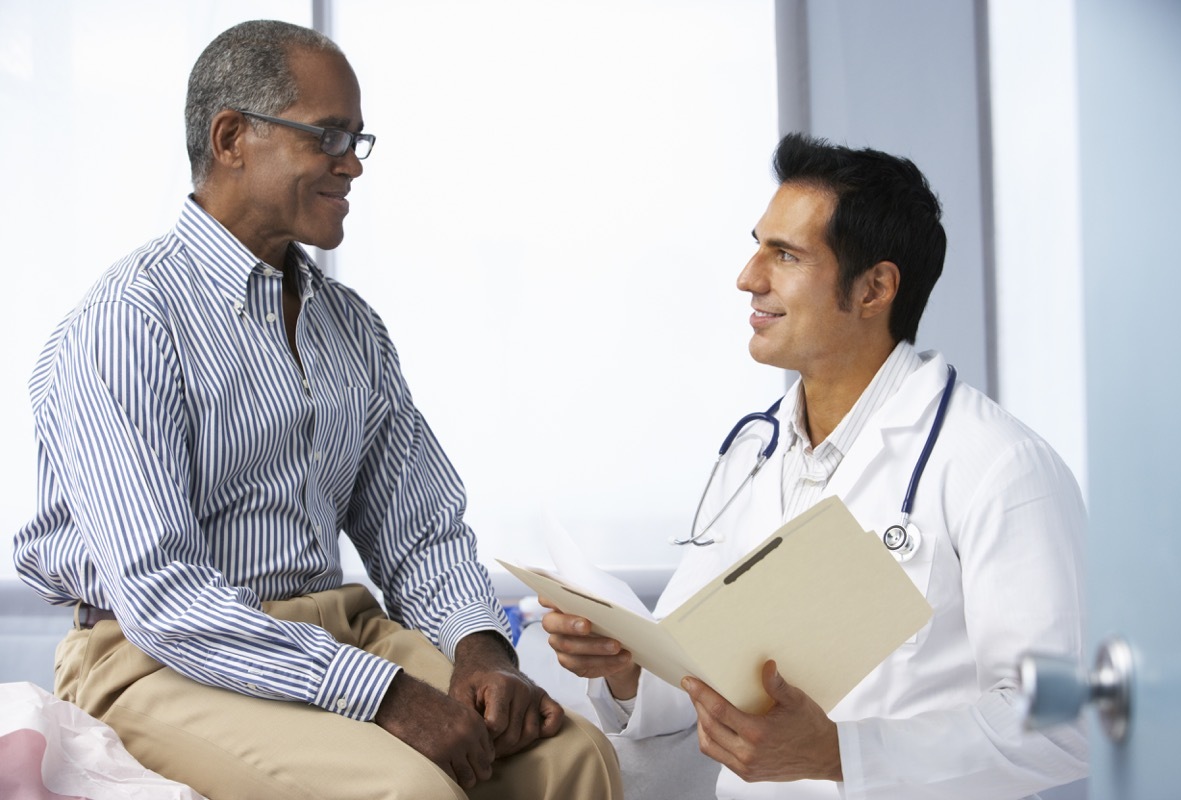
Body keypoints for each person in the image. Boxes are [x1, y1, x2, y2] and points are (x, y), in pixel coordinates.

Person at [13, 19, 620, 800]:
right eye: (329, 135)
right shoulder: (128, 324)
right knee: (411, 789)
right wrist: (383, 693)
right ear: (231, 136)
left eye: (358, 140)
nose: (352, 165)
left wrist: (481, 652)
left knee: (575, 756)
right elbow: (164, 595)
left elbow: (419, 532)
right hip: (156, 656)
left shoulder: (350, 327)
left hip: (339, 630)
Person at [542, 133, 1087, 799]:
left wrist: (845, 754)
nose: (748, 277)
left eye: (786, 255)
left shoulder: (998, 468)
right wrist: (624, 666)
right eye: (757, 245)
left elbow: (1063, 723)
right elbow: (700, 669)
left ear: (874, 288)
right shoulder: (756, 454)